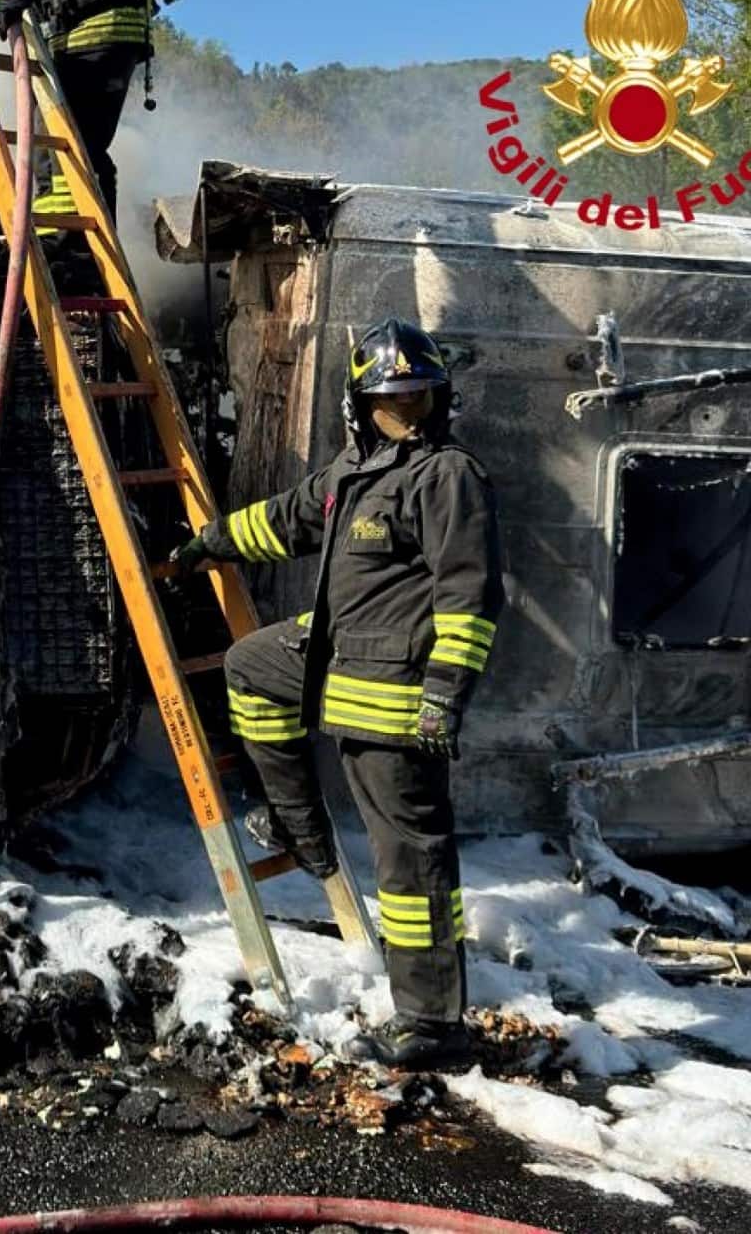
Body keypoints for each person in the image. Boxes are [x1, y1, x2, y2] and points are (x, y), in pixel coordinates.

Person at [167, 318, 505, 1070]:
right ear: (361, 406)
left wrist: (445, 694)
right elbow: (286, 519)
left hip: (396, 705)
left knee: (412, 872)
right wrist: (209, 542)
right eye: (392, 403)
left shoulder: (447, 477)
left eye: (418, 401)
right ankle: (298, 828)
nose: (405, 414)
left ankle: (432, 1023)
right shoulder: (357, 472)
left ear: (440, 401)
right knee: (253, 663)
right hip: (335, 664)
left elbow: (471, 597)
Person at [0, 0, 169, 237]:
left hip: (98, 27)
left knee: (65, 141)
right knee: (81, 145)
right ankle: (88, 247)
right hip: (79, 32)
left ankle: (67, 244)